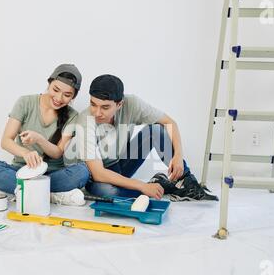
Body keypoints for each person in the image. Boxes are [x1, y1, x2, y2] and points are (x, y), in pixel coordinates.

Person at [71, 74, 218, 201]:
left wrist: (178, 155)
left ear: (119, 104)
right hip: (97, 177)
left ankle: (187, 183)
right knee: (109, 193)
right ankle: (160, 187)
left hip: (120, 165)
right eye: (93, 104)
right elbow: (98, 174)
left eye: (105, 107)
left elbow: (170, 123)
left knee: (155, 130)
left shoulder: (132, 103)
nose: (97, 112)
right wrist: (142, 186)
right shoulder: (85, 121)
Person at [0, 64, 90, 205]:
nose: (59, 98)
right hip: (22, 170)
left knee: (82, 172)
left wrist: (39, 139)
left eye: (67, 95)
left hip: (52, 174)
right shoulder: (25, 102)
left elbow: (57, 153)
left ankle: (20, 191)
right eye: (55, 90)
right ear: (49, 83)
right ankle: (51, 196)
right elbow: (6, 141)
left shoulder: (72, 116)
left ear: (73, 96)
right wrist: (25, 153)